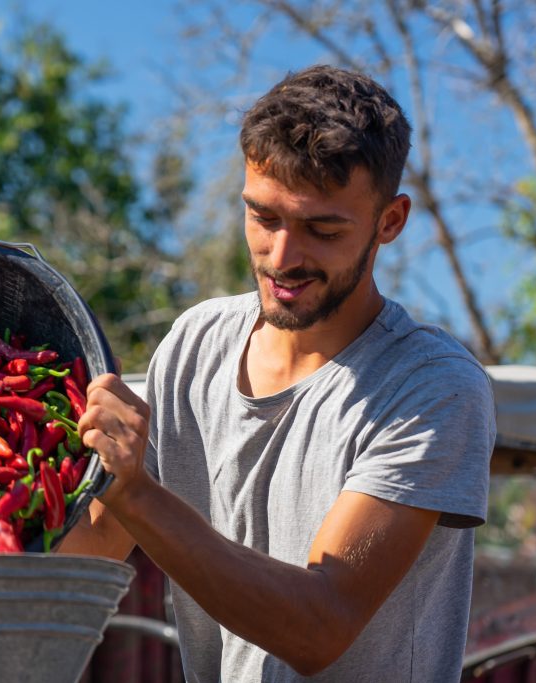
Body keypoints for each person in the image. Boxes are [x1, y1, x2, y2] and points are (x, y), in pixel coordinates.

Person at [59, 64, 496, 682]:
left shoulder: (430, 386)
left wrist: (137, 492)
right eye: (264, 218)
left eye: (323, 230)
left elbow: (320, 626)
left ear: (390, 222)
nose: (282, 257)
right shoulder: (195, 344)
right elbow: (90, 549)